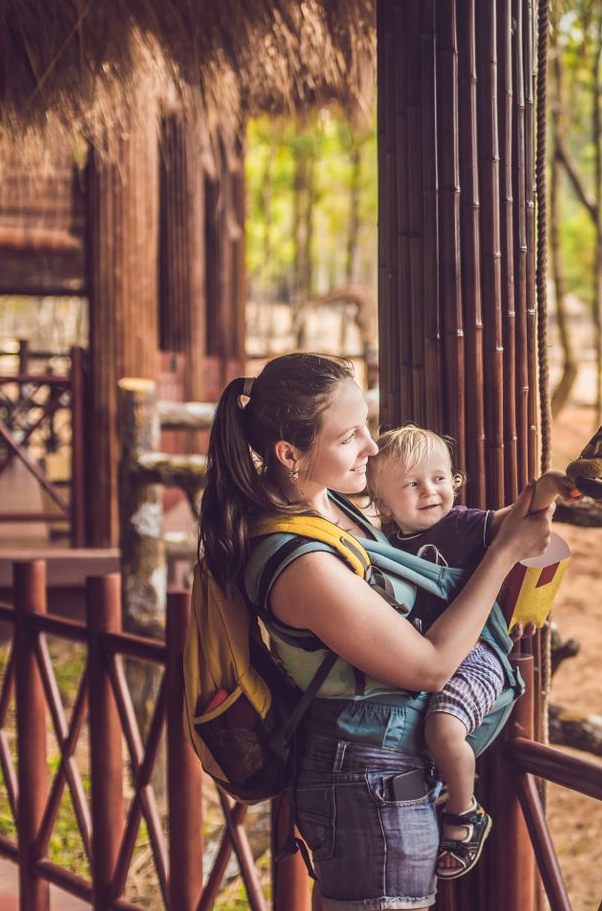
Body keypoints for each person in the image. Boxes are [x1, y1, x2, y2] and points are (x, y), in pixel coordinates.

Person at [197, 353, 553, 911]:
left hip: (389, 765)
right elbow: (429, 666)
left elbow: (435, 535)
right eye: (349, 437)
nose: (370, 446)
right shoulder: (298, 560)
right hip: (366, 779)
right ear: (290, 453)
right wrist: (505, 554)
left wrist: (532, 507)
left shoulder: (333, 506)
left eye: (368, 424)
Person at [367, 425, 578, 879]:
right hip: (422, 655)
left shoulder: (462, 526)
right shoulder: (381, 544)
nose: (431, 492)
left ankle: (465, 812)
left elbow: (516, 517)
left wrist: (544, 489)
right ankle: (439, 786)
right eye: (412, 484)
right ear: (382, 502)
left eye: (440, 478)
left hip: (476, 653)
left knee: (443, 730)